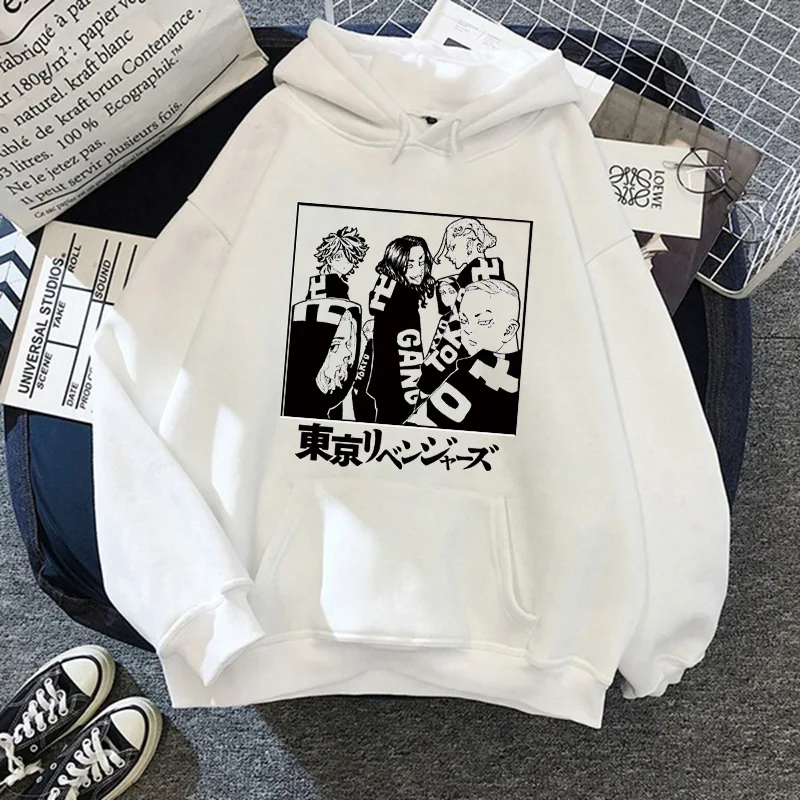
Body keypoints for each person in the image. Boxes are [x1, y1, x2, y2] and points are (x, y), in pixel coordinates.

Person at [406, 279, 522, 435]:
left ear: (509, 330)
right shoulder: (466, 375)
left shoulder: (474, 373)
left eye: (483, 321)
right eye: (464, 320)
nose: (468, 330)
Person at [367, 235, 435, 424]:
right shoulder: (405, 300)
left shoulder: (387, 289)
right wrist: (414, 391)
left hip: (384, 384)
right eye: (410, 264)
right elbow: (408, 351)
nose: (418, 270)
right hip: (400, 389)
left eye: (421, 262)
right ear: (397, 265)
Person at [418, 276, 462, 399]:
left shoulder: (464, 317)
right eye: (442, 292)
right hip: (438, 364)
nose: (446, 296)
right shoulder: (444, 318)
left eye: (451, 291)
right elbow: (436, 343)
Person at [307, 226, 370, 300]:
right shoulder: (337, 286)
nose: (346, 264)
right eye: (338, 257)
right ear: (329, 259)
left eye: (350, 260)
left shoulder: (317, 282)